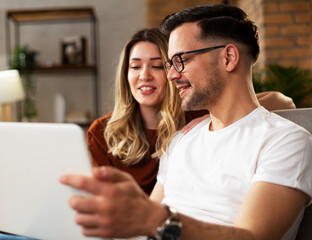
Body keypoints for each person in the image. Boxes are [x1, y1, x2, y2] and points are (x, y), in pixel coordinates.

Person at [60, 4, 312, 240]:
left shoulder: (286, 140)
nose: (171, 75)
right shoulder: (183, 139)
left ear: (228, 58)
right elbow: (142, 222)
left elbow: (251, 236)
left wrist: (158, 219)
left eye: (181, 60)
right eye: (170, 64)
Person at [87, 28, 296, 195]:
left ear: (172, 72)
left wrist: (208, 115)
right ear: (125, 74)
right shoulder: (102, 132)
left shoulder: (196, 117)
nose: (144, 76)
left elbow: (282, 102)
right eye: (135, 67)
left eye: (157, 66)